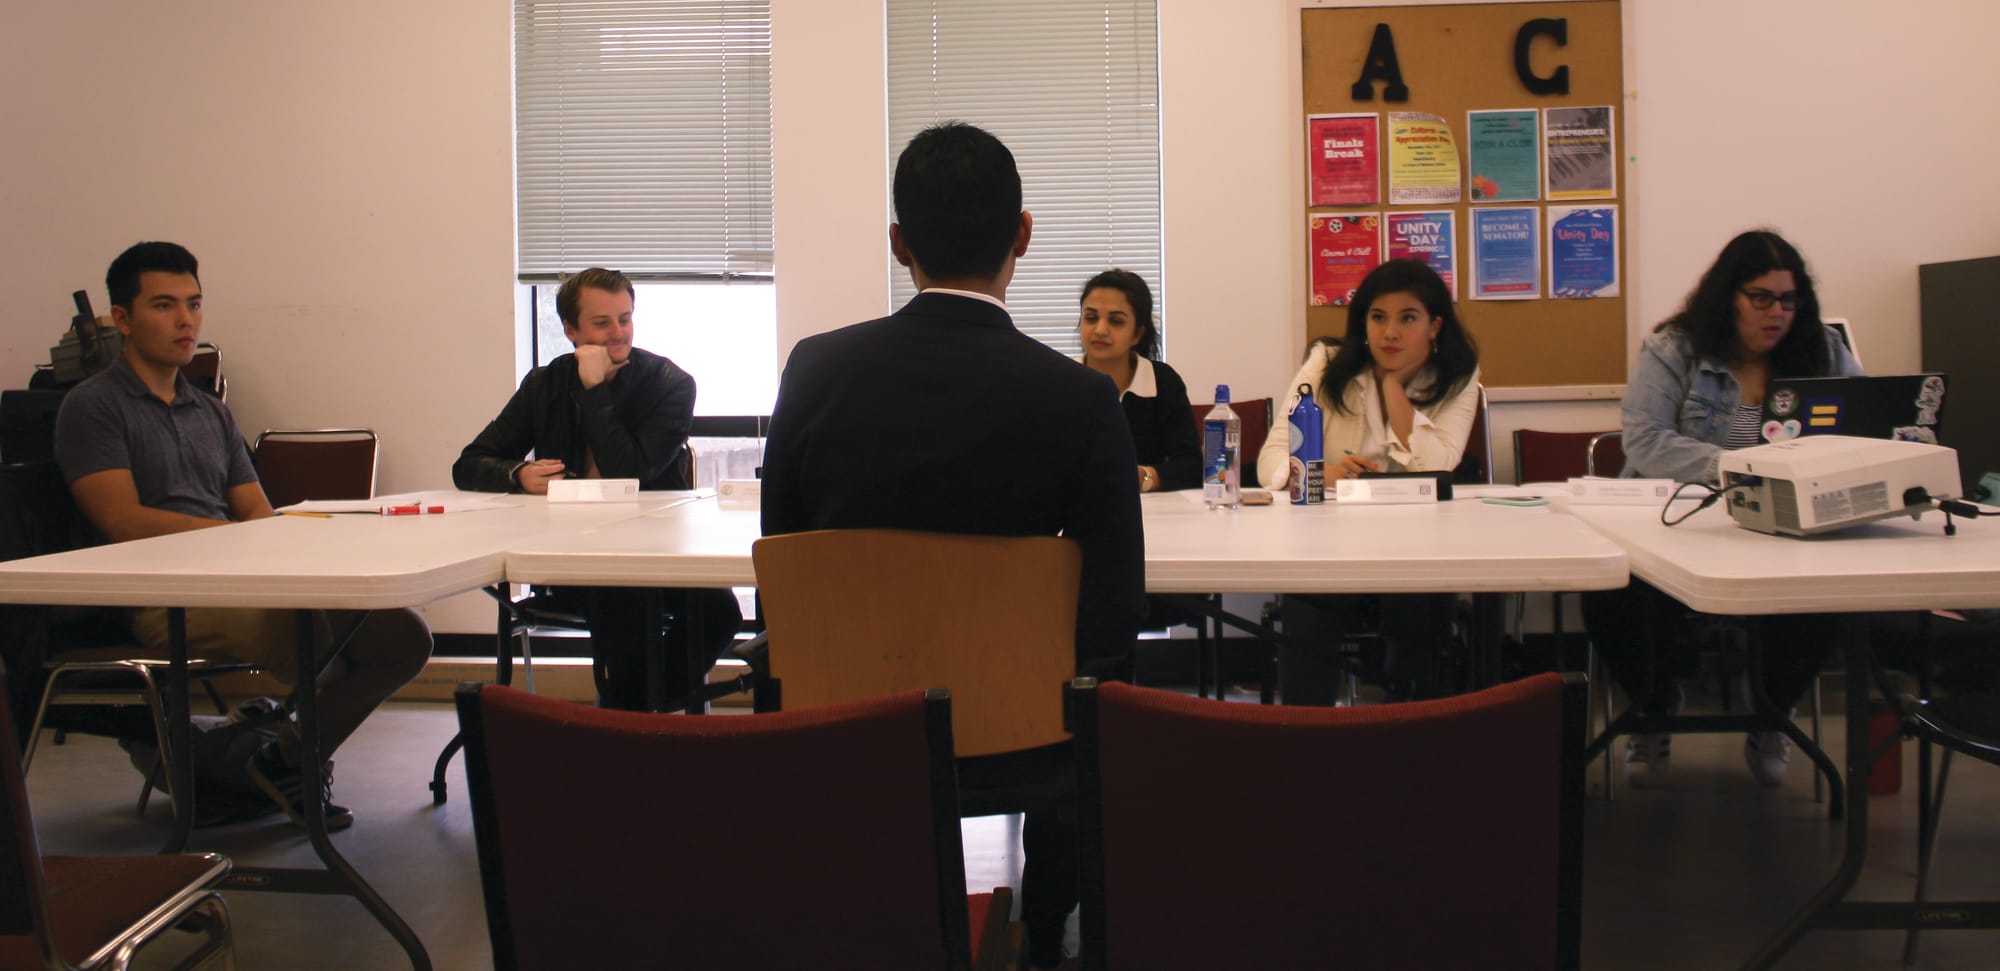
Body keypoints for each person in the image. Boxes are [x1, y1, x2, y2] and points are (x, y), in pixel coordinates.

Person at [761, 122, 1144, 971]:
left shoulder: (813, 371)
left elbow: (782, 565)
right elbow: (1114, 609)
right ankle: (1046, 931)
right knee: (1092, 684)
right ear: (1023, 235)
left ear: (900, 243)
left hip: (849, 724)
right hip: (1030, 732)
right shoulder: (1078, 399)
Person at [54, 241, 433, 830]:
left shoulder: (210, 411)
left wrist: (309, 549)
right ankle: (272, 753)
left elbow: (256, 512)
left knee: (402, 634)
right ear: (122, 319)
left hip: (236, 578)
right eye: (164, 306)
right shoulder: (93, 406)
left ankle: (278, 759)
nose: (186, 321)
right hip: (162, 594)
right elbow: (122, 521)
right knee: (310, 630)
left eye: (194, 304)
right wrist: (229, 541)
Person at [1583, 229, 1861, 787]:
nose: (1776, 313)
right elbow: (1645, 442)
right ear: (1728, 296)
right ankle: (1654, 706)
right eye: (1761, 298)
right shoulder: (1674, 349)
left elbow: (1864, 426)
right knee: (1609, 596)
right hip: (1679, 523)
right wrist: (1749, 469)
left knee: (1830, 595)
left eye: (1788, 300)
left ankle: (1773, 711)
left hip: (1785, 529)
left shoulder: (1825, 350)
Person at [453, 267, 740, 711]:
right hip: (571, 554)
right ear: (571, 330)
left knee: (721, 613)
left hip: (659, 553)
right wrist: (517, 475)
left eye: (625, 319)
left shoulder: (670, 385)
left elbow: (631, 473)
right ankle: (631, 721)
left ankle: (626, 713)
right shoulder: (545, 384)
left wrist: (592, 389)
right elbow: (469, 464)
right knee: (621, 602)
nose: (618, 333)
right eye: (602, 323)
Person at [1256, 258, 1482, 704]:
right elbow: (1271, 461)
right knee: (1307, 601)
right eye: (1378, 317)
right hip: (1330, 545)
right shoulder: (1325, 364)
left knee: (1422, 603)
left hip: (1416, 547)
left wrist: (1394, 388)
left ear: (1435, 326)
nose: (1390, 333)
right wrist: (1320, 474)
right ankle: (1306, 730)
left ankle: (1406, 727)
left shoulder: (1459, 376)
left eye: (1408, 319)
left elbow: (1439, 465)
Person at [1076, 269, 1199, 492]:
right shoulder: (1061, 381)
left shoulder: (1163, 381)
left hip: (1152, 506)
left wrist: (1144, 477)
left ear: (1137, 334)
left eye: (1116, 321)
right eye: (1091, 318)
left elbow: (1191, 465)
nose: (1100, 330)